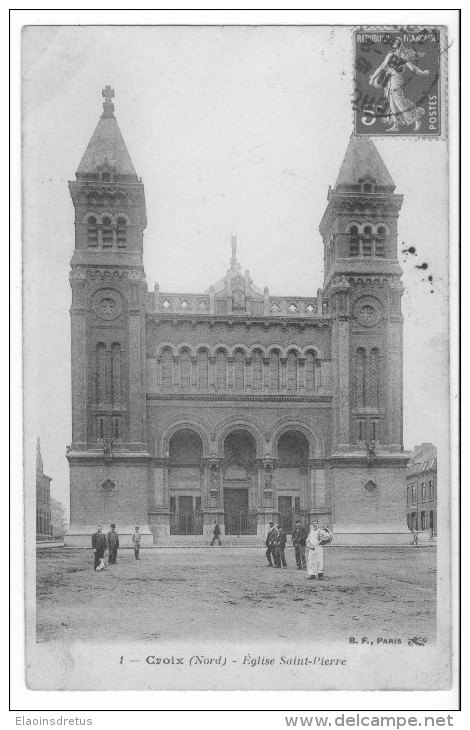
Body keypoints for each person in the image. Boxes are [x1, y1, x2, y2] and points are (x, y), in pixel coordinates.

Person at [369, 36, 430, 132]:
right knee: (392, 103)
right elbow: (382, 67)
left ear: (400, 43)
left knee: (399, 103)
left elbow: (413, 68)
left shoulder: (404, 57)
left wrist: (423, 73)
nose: (393, 43)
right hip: (388, 80)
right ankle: (396, 125)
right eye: (393, 42)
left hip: (396, 80)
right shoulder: (390, 55)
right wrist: (373, 78)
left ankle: (416, 119)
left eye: (396, 41)